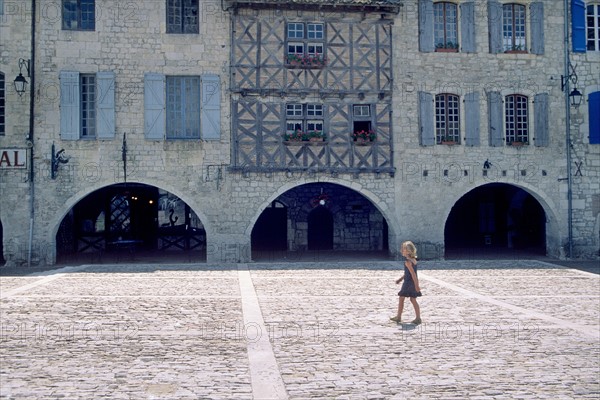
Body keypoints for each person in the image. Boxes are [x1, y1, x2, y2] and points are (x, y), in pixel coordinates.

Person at [390, 241, 422, 324]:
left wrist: (417, 286)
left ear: (408, 251)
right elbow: (407, 273)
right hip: (410, 282)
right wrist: (400, 279)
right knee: (412, 299)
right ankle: (418, 318)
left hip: (408, 283)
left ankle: (399, 317)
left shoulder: (408, 262)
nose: (401, 251)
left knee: (401, 298)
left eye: (403, 249)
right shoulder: (413, 260)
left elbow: (413, 274)